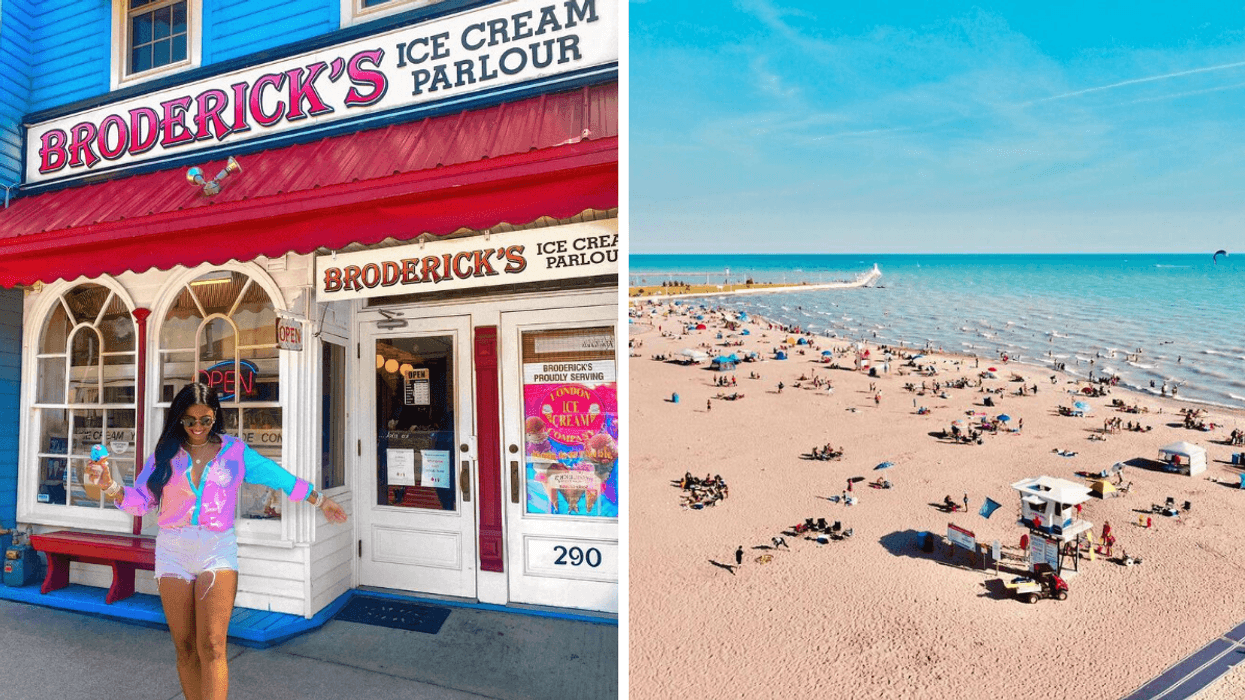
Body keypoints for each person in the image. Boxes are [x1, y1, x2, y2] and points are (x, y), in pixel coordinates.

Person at [86, 383, 348, 700]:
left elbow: (278, 477)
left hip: (216, 550)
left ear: (215, 418)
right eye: (189, 420)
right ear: (178, 419)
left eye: (205, 420)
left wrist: (321, 501)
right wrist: (110, 485)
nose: (197, 427)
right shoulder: (164, 456)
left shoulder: (233, 452)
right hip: (172, 552)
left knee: (211, 644)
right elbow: (141, 502)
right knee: (185, 647)